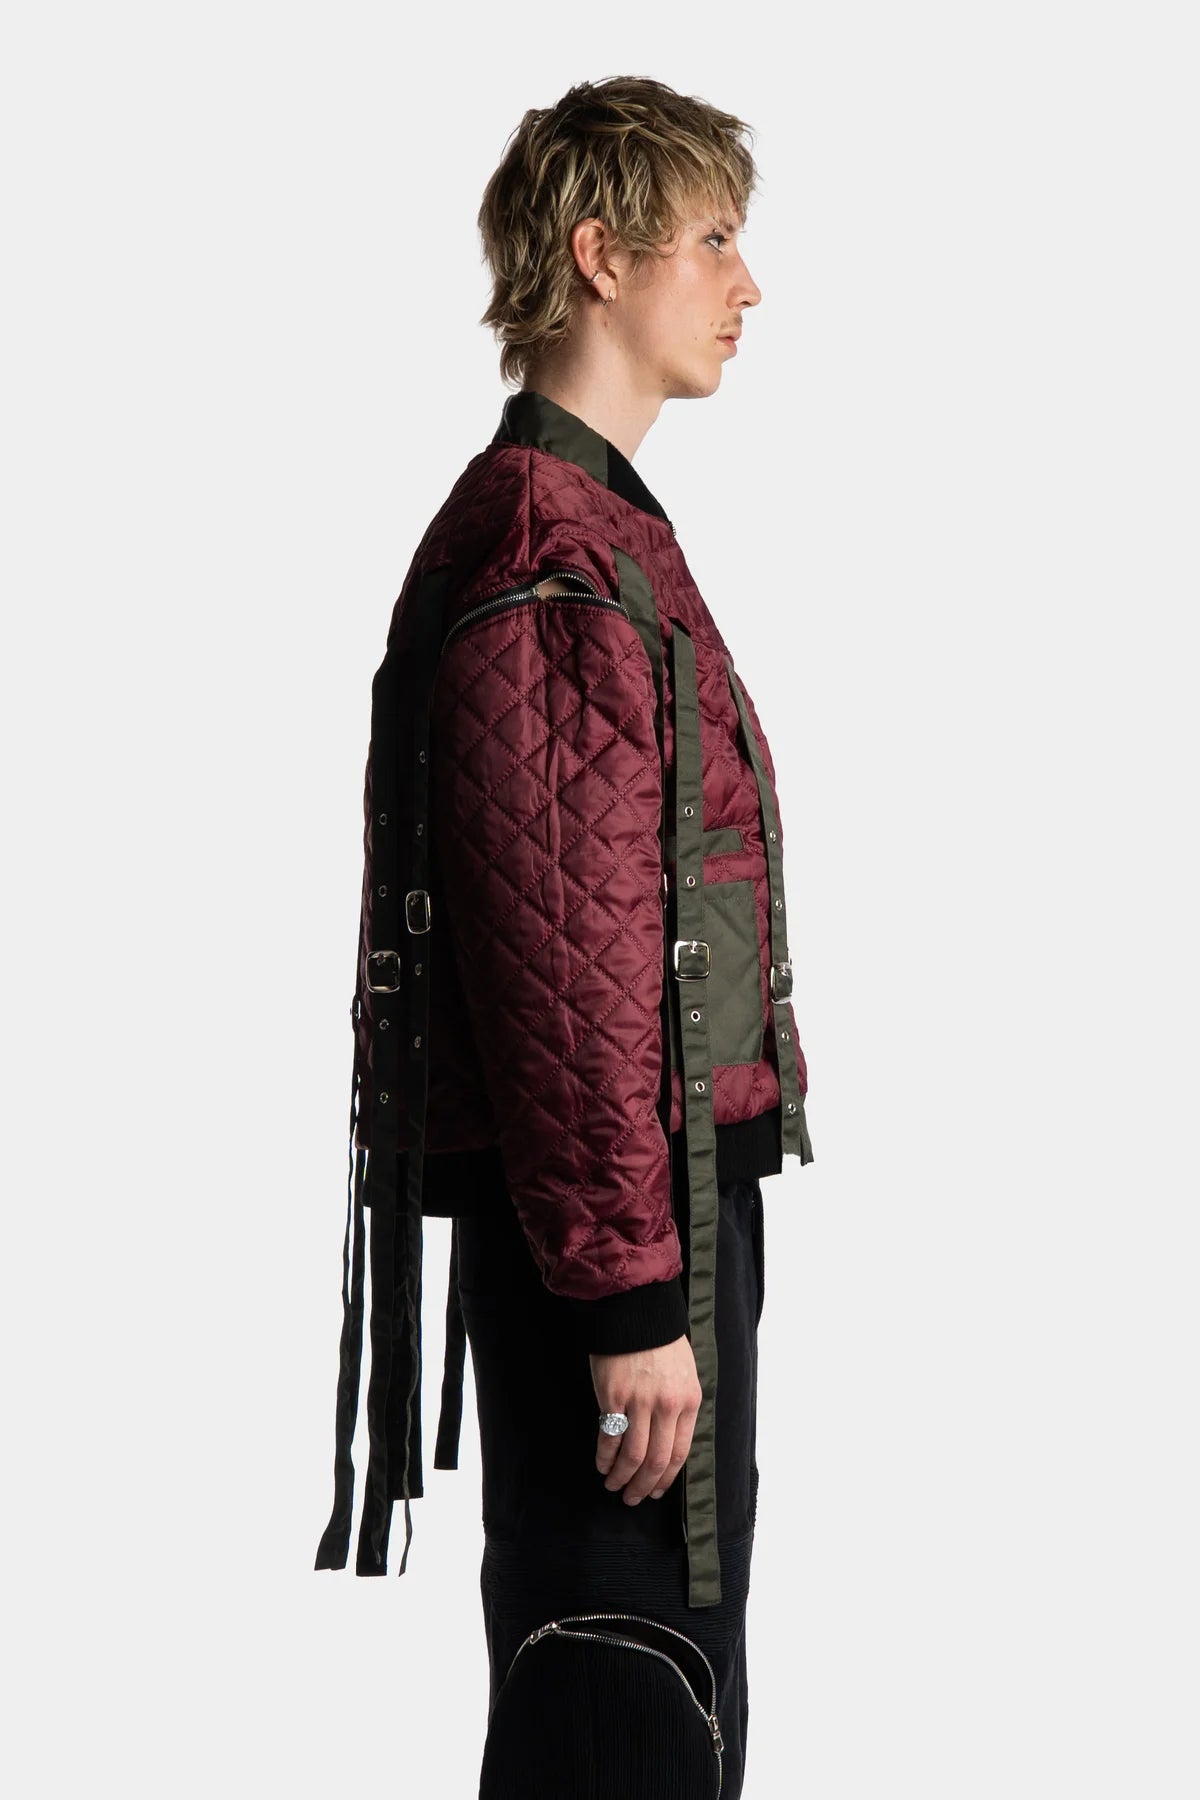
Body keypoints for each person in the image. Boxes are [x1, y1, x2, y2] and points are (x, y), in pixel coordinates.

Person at [314, 75, 814, 1800]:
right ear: (602, 256)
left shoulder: (595, 532)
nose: (748, 284)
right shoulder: (549, 554)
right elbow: (567, 972)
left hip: (648, 1210)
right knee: (619, 1690)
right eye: (714, 240)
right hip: (615, 1242)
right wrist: (631, 1297)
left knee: (652, 1685)